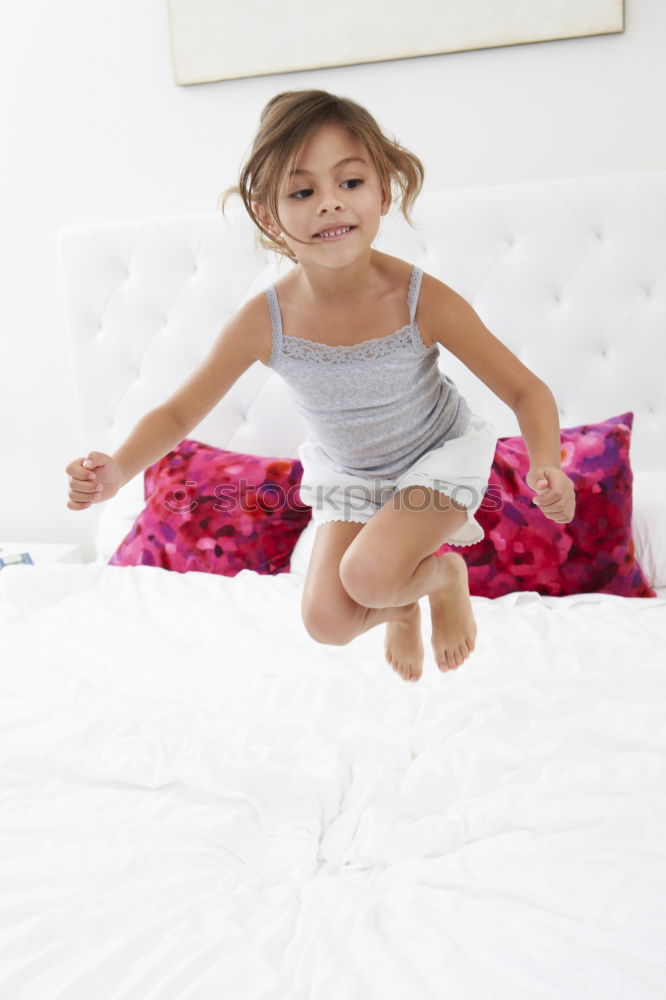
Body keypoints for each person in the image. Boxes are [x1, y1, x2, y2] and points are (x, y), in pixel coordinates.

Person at [65, 89, 575, 684]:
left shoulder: (418, 299)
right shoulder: (266, 320)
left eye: (350, 183)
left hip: (436, 461)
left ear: (384, 191)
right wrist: (118, 471)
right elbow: (180, 413)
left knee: (367, 575)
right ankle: (402, 606)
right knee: (327, 622)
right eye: (303, 192)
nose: (330, 204)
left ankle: (442, 577)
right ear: (268, 214)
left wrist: (548, 464)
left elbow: (526, 391)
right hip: (352, 475)